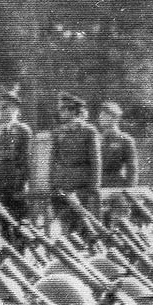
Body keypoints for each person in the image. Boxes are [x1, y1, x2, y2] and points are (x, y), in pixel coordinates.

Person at [48, 95, 102, 233]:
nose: (60, 113)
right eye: (61, 110)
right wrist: (52, 184)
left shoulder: (88, 131)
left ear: (72, 111)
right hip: (62, 185)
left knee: (84, 224)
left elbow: (95, 161)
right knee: (65, 225)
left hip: (81, 186)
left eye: (63, 110)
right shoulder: (58, 132)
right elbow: (53, 161)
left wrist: (94, 188)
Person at [0, 91, 35, 233]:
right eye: (0, 108)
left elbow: (26, 159)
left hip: (16, 184)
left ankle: (20, 253)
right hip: (0, 185)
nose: (2, 111)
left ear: (16, 109)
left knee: (19, 224)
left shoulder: (23, 130)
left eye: (5, 108)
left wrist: (22, 184)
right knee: (3, 223)